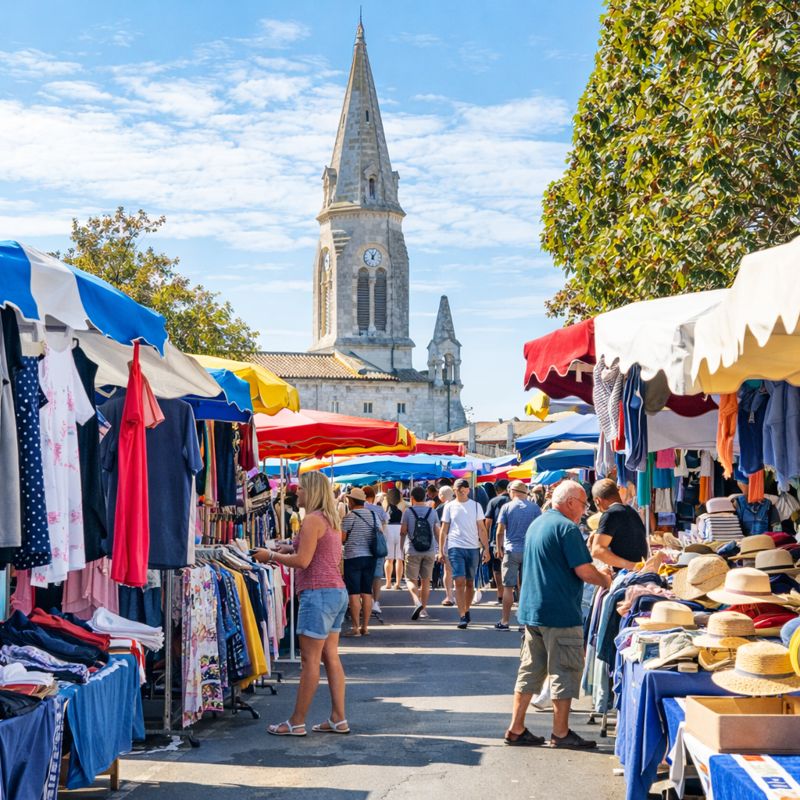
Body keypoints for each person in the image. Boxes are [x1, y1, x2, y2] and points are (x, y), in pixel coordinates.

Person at [505, 480, 612, 749]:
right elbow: (584, 570)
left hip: (533, 610)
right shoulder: (567, 528)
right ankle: (561, 733)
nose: (584, 510)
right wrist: (606, 580)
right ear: (571, 502)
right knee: (564, 671)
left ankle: (516, 727)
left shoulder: (538, 524)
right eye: (584, 504)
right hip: (560, 611)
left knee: (530, 670)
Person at [254, 472, 350, 736]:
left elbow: (303, 561)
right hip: (335, 591)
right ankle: (338, 718)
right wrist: (289, 548)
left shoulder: (311, 520)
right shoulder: (329, 518)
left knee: (309, 661)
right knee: (330, 656)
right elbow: (314, 552)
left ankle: (296, 721)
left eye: (301, 489)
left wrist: (270, 555)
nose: (297, 492)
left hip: (318, 593)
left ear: (312, 491)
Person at [440, 478, 490, 629]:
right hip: (455, 547)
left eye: (464, 489)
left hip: (473, 547)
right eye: (458, 490)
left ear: (468, 490)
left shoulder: (476, 506)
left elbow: (482, 528)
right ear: (454, 491)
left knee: (470, 582)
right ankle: (462, 615)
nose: (461, 492)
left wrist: (486, 549)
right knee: (459, 580)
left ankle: (466, 610)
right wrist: (441, 550)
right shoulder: (449, 506)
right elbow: (444, 529)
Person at [494, 480, 541, 630]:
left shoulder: (507, 507)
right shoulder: (535, 508)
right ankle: (524, 623)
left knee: (508, 587)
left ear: (512, 491)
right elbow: (539, 530)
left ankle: (505, 621)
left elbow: (500, 531)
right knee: (526, 587)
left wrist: (499, 548)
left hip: (511, 550)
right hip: (529, 551)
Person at [341, 487, 380, 637]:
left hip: (353, 557)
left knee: (354, 593)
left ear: (351, 501)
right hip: (370, 557)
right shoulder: (373, 515)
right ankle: (365, 627)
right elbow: (379, 533)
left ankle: (356, 628)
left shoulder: (349, 517)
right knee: (367, 592)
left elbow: (342, 538)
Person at [590, 478, 648, 571]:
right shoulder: (632, 511)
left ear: (597, 500)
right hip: (641, 570)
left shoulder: (610, 514)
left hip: (628, 573)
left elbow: (597, 551)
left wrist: (631, 566)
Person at [400, 486, 441, 620]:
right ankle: (424, 610)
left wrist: (401, 548)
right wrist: (440, 549)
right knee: (425, 581)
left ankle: (416, 601)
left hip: (412, 550)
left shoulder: (408, 512)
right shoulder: (432, 512)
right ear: (425, 497)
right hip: (429, 550)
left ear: (412, 498)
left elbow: (403, 531)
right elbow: (437, 532)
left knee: (410, 579)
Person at [363, 485, 389, 622]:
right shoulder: (378, 509)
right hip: (378, 545)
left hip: (363, 545)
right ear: (373, 497)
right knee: (377, 575)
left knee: (365, 574)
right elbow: (385, 522)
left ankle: (366, 601)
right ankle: (376, 602)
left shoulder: (357, 509)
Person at [485, 480, 511, 605]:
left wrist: (485, 538)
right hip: (513, 539)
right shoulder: (514, 501)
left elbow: (488, 522)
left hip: (496, 539)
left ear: (497, 489)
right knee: (514, 567)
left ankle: (500, 594)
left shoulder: (494, 501)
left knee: (497, 568)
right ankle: (514, 592)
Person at [382, 487, 406, 589]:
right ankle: (398, 583)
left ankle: (388, 583)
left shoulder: (385, 506)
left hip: (388, 529)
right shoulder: (403, 505)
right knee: (399, 559)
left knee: (389, 559)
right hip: (400, 529)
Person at [437, 485, 456, 606]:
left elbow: (439, 529)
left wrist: (439, 548)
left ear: (442, 496)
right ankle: (459, 594)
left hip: (447, 541)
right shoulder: (459, 505)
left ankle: (449, 596)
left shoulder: (440, 508)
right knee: (460, 570)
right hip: (461, 541)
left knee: (447, 570)